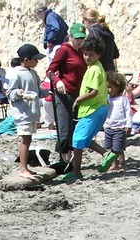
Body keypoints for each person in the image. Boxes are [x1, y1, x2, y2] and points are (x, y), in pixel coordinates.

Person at [60, 36, 113, 182]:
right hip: (95, 108)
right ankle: (105, 154)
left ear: (99, 55)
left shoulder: (95, 69)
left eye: (92, 54)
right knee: (84, 138)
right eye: (85, 53)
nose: (87, 57)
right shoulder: (94, 67)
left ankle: (77, 171)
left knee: (77, 140)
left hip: (93, 109)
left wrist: (78, 99)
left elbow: (94, 91)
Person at [48, 22, 88, 161]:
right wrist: (58, 81)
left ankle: (69, 159)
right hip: (64, 94)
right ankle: (63, 158)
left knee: (74, 127)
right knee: (64, 127)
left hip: (79, 94)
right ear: (70, 36)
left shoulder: (83, 51)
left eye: (82, 38)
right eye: (77, 38)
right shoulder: (64, 50)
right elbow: (50, 70)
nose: (79, 41)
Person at [7, 44, 45, 181]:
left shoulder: (33, 73)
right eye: (35, 59)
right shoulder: (16, 74)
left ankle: (25, 167)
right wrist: (19, 93)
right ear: (26, 59)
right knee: (25, 139)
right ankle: (23, 169)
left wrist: (48, 92)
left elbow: (38, 92)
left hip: (32, 112)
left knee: (29, 139)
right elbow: (10, 93)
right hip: (23, 113)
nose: (37, 61)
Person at [102, 71, 131, 171]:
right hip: (109, 127)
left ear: (118, 87)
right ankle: (114, 165)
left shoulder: (123, 99)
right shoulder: (107, 100)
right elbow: (106, 113)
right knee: (110, 148)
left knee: (118, 149)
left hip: (120, 128)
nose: (108, 90)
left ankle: (123, 164)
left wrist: (128, 124)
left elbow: (128, 112)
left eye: (110, 87)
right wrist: (104, 123)